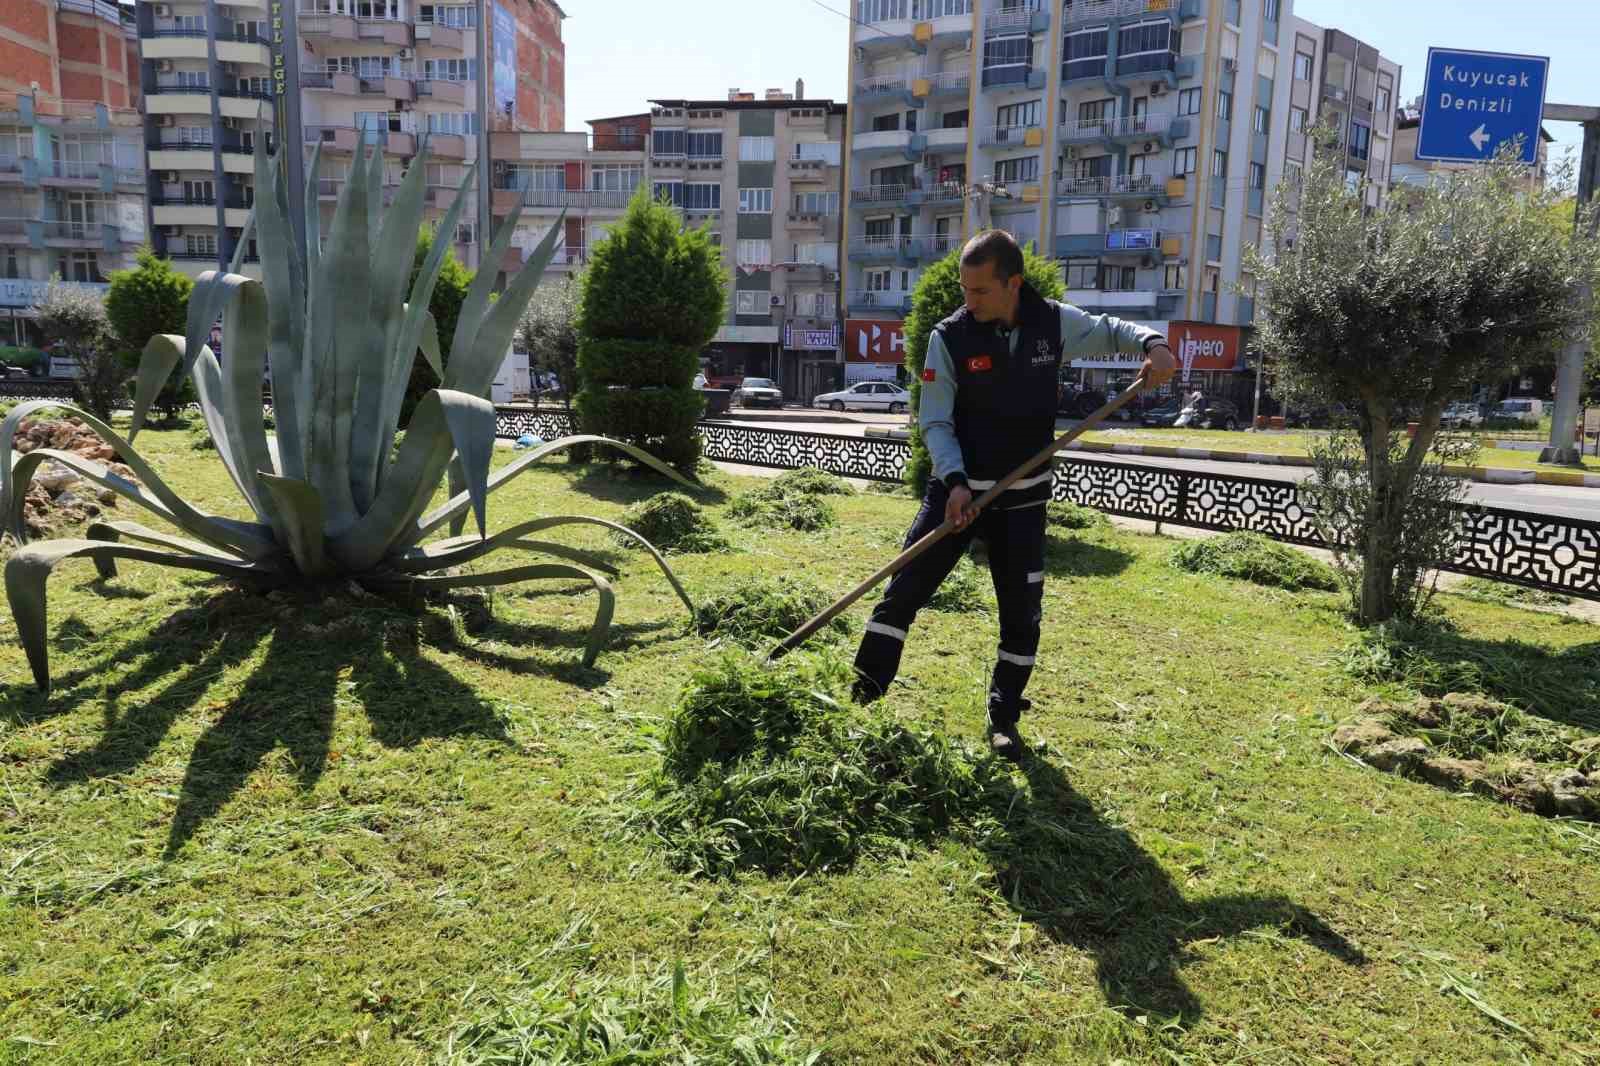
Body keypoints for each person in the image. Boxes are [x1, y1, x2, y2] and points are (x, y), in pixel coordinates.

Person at [851, 230, 1177, 759]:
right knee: (903, 591)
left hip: (1022, 499)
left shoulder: (1052, 323)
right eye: (963, 289)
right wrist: (955, 482)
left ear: (1013, 284)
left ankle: (1004, 717)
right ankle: (860, 699)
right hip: (955, 495)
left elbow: (1111, 329)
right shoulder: (949, 337)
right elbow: (934, 420)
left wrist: (1153, 345)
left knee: (1022, 613)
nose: (968, 301)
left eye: (980, 291)